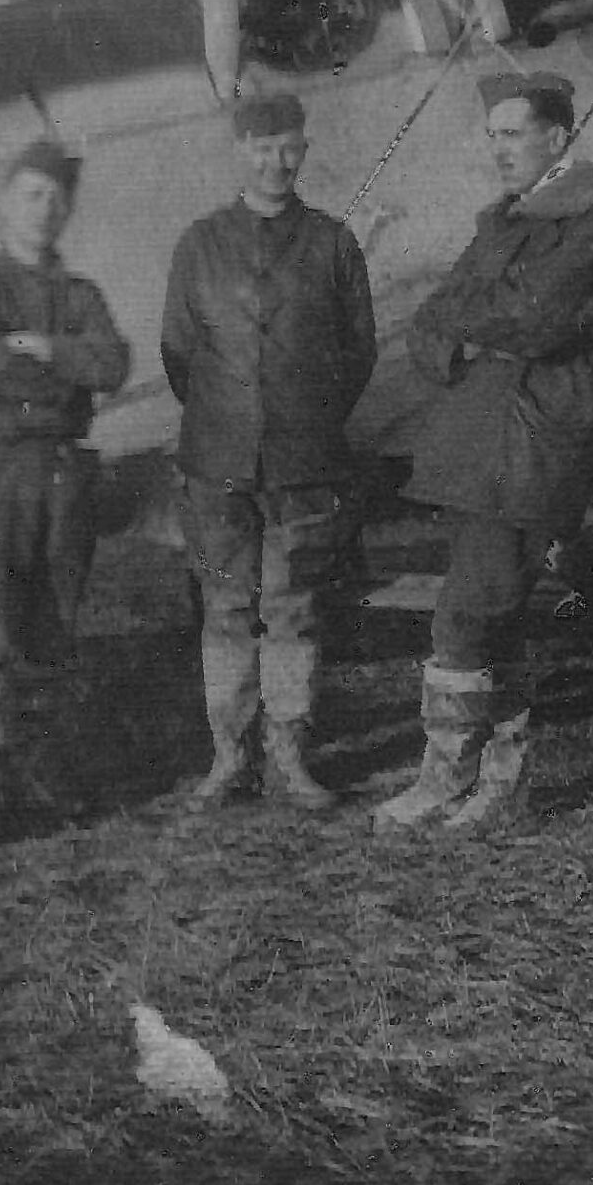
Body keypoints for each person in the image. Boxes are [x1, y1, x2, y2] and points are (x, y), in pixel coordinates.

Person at [372, 70, 593, 835]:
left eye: (513, 134)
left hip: (531, 445)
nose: (499, 149)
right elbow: (430, 320)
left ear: (557, 137)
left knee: (468, 612)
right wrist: (469, 337)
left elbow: (539, 318)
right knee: (499, 618)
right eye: (492, 135)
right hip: (480, 441)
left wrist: (474, 321)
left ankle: (447, 778)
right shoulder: (502, 221)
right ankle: (497, 784)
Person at [160, 92, 379, 812]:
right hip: (218, 466)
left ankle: (289, 757)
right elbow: (178, 353)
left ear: (304, 150)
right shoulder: (199, 244)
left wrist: (304, 417)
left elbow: (359, 351)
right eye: (260, 147)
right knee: (226, 607)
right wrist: (230, 418)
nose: (274, 162)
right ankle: (229, 757)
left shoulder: (333, 243)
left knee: (294, 609)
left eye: (287, 147)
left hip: (303, 467)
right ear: (239, 152)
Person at [0, 140, 133, 846]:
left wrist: (48, 350)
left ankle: (39, 774)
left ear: (69, 210)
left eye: (56, 199)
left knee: (50, 628)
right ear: (3, 200)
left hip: (62, 478)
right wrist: (64, 384)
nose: (43, 210)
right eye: (31, 194)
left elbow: (113, 363)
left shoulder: (80, 295)